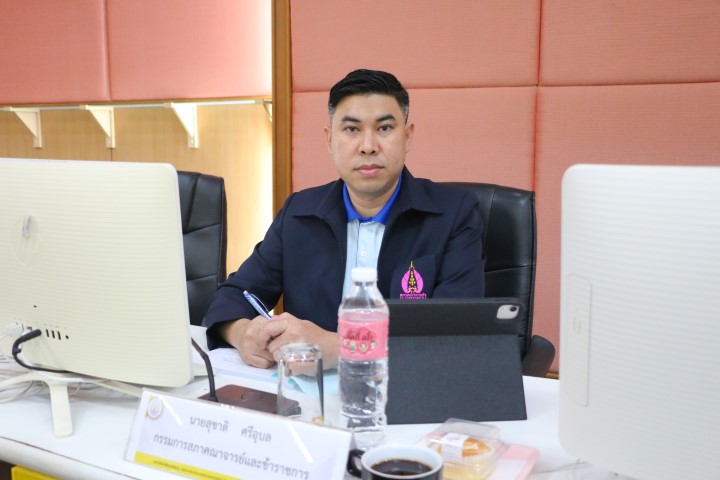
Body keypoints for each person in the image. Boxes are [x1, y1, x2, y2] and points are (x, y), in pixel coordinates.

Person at [203, 69, 485, 369]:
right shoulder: (299, 213)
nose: (368, 145)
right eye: (351, 129)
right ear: (329, 139)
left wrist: (338, 348)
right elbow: (234, 296)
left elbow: (456, 333)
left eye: (384, 128)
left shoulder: (454, 213)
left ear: (407, 137)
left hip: (407, 388)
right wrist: (242, 333)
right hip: (308, 391)